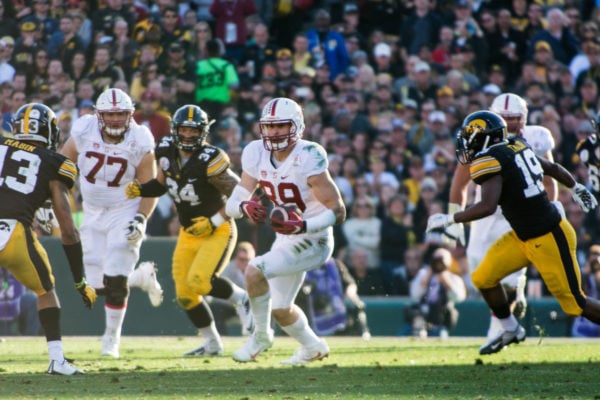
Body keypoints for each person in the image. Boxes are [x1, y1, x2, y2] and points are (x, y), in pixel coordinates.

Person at [426, 110, 600, 355]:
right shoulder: (516, 144)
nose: (467, 142)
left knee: (575, 304)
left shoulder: (490, 160)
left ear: (485, 138)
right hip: (523, 236)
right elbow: (551, 166)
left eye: (471, 137)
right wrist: (575, 186)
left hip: (549, 236)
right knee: (483, 278)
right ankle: (510, 328)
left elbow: (487, 206)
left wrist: (451, 218)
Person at [224, 97, 347, 364]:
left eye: (281, 126)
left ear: (297, 126)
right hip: (287, 236)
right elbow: (232, 203)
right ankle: (313, 347)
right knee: (281, 309)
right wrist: (245, 207)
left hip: (314, 238)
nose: (274, 132)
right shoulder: (256, 152)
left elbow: (338, 211)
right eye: (270, 126)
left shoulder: (308, 155)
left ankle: (260, 336)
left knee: (254, 270)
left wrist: (303, 224)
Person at [125, 104, 253, 356]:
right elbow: (163, 184)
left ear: (203, 133)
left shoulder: (209, 159)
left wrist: (215, 220)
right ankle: (212, 344)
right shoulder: (166, 151)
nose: (187, 135)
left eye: (193, 131)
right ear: (175, 129)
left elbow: (242, 195)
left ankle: (242, 298)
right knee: (185, 295)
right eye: (183, 129)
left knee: (199, 281)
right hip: (188, 231)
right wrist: (142, 189)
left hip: (217, 229)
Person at [60, 88, 162, 358]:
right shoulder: (84, 129)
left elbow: (148, 187)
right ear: (99, 114)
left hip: (123, 209)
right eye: (110, 114)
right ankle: (140, 277)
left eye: (121, 114)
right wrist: (51, 200)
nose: (116, 119)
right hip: (92, 211)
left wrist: (140, 219)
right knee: (94, 289)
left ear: (130, 114)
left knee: (116, 275)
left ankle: (110, 339)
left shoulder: (140, 138)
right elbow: (62, 164)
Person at [447, 93, 557, 338]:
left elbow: (550, 183)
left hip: (519, 214)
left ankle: (500, 326)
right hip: (485, 214)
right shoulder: (480, 139)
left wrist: (546, 213)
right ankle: (503, 318)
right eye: (504, 118)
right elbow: (459, 186)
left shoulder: (536, 138)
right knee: (480, 274)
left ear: (524, 118)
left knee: (507, 278)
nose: (509, 124)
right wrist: (454, 227)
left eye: (514, 118)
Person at [0, 103, 97, 374]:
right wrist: (80, 280)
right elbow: (67, 229)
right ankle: (56, 359)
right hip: (13, 234)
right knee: (45, 291)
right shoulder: (55, 163)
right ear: (49, 131)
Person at [406, 247, 466, 339]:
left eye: (441, 263)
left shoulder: (454, 278)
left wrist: (446, 281)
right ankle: (419, 331)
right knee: (412, 311)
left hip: (442, 314)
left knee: (450, 313)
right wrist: (427, 278)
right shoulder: (423, 274)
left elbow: (458, 298)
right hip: (424, 313)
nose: (438, 266)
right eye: (436, 262)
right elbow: (414, 294)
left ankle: (440, 332)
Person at [0, 267, 40, 336]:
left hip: (17, 299)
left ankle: (30, 339)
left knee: (32, 300)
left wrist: (5, 286)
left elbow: (6, 285)